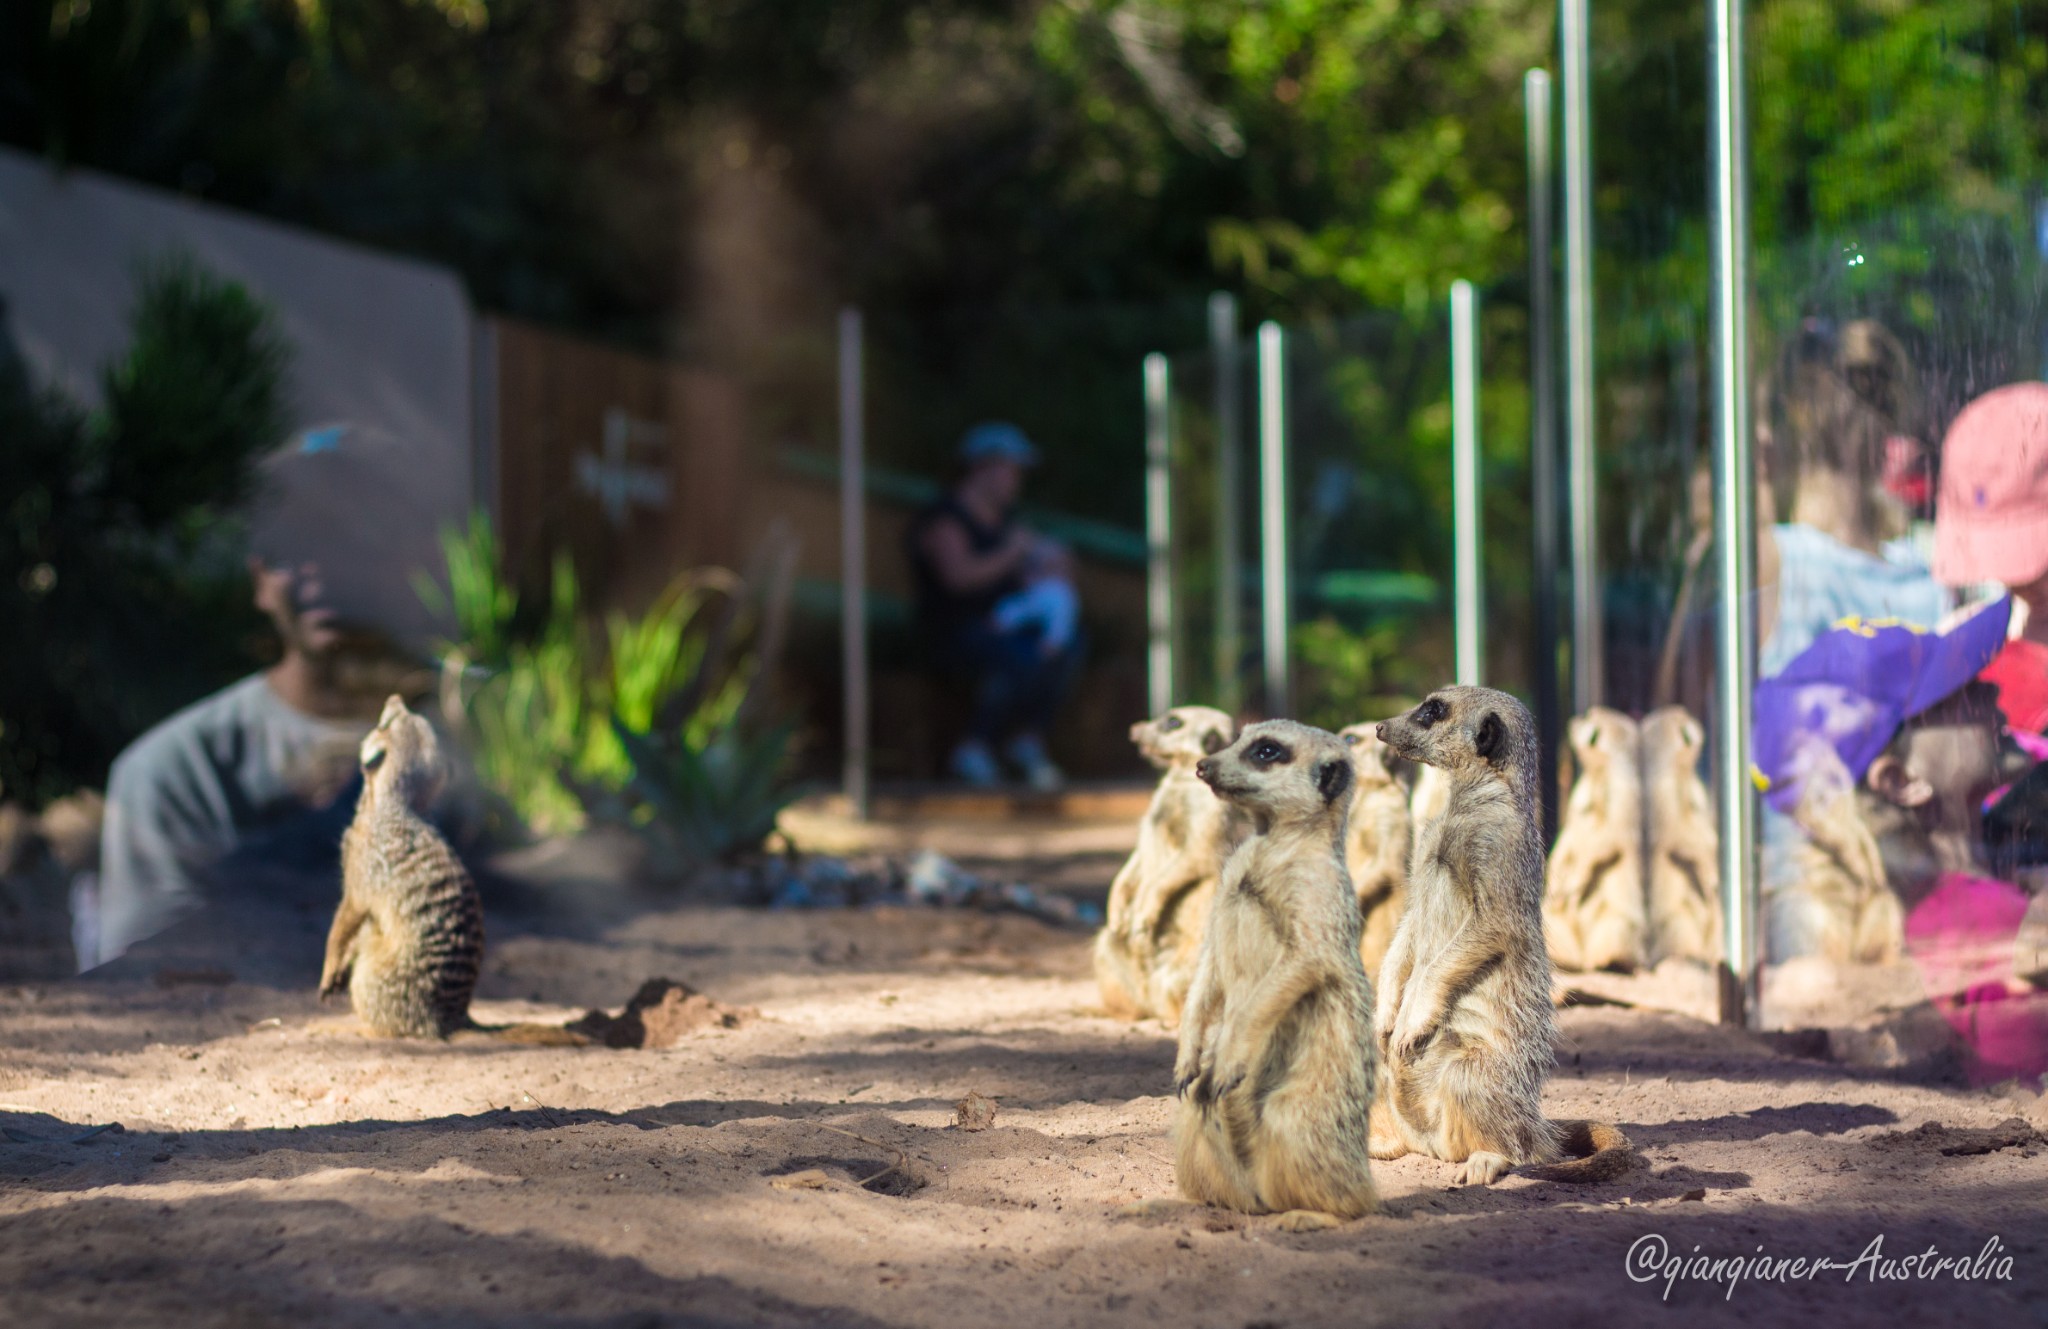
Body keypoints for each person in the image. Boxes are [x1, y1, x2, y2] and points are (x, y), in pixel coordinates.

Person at [82, 554, 381, 969]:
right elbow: (150, 973)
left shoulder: (463, 748)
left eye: (337, 550)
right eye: (294, 557)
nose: (320, 577)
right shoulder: (171, 770)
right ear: (261, 583)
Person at [906, 422, 1081, 790]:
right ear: (982, 468)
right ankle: (975, 746)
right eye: (1011, 469)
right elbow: (958, 577)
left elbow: (1029, 578)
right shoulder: (945, 518)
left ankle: (1026, 742)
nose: (1016, 480)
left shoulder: (1007, 523)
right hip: (953, 632)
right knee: (1017, 654)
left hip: (1002, 628)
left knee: (1068, 643)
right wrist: (1012, 553)